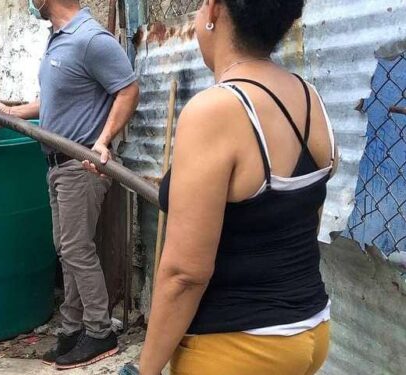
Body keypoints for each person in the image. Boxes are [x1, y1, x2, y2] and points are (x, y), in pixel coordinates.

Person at [127, 1, 338, 374]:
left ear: (212, 11)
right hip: (309, 332)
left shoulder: (215, 110)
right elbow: (298, 216)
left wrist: (145, 369)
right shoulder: (309, 98)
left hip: (238, 348)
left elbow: (185, 274)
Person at [0, 0, 139, 369]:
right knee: (66, 249)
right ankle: (72, 330)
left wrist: (103, 141)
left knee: (76, 250)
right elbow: (54, 101)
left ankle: (99, 332)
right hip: (55, 163)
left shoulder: (90, 39)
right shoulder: (58, 39)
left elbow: (128, 89)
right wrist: (11, 111)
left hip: (80, 164)